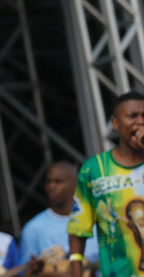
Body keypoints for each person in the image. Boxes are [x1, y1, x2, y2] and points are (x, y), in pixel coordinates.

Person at [68, 91, 144, 277]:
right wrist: (76, 267)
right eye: (132, 116)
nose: (140, 122)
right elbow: (79, 227)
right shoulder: (94, 169)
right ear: (115, 123)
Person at [19, 162, 99, 276]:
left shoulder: (97, 219)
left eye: (58, 181)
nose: (52, 186)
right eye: (48, 182)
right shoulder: (33, 228)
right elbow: (24, 272)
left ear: (75, 184)